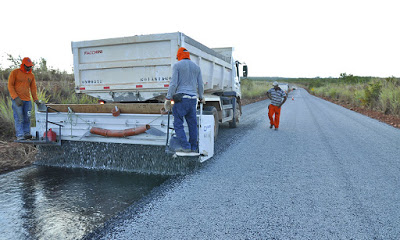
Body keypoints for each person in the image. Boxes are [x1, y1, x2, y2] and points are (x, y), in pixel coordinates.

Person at [164, 47, 204, 152]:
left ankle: (185, 146)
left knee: (178, 123)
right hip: (192, 100)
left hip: (181, 99)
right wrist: (201, 97)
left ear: (179, 56)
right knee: (192, 124)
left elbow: (173, 83)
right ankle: (194, 147)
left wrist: (168, 97)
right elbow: (200, 84)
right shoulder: (197, 67)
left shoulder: (177, 65)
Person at [8, 57, 40, 140]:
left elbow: (33, 88)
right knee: (19, 118)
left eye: (30, 66)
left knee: (27, 118)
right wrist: (15, 98)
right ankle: (20, 135)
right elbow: (10, 86)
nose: (29, 67)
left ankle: (26, 133)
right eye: (27, 66)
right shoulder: (15, 73)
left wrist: (35, 99)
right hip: (17, 100)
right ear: (23, 65)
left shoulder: (31, 75)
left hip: (27, 101)